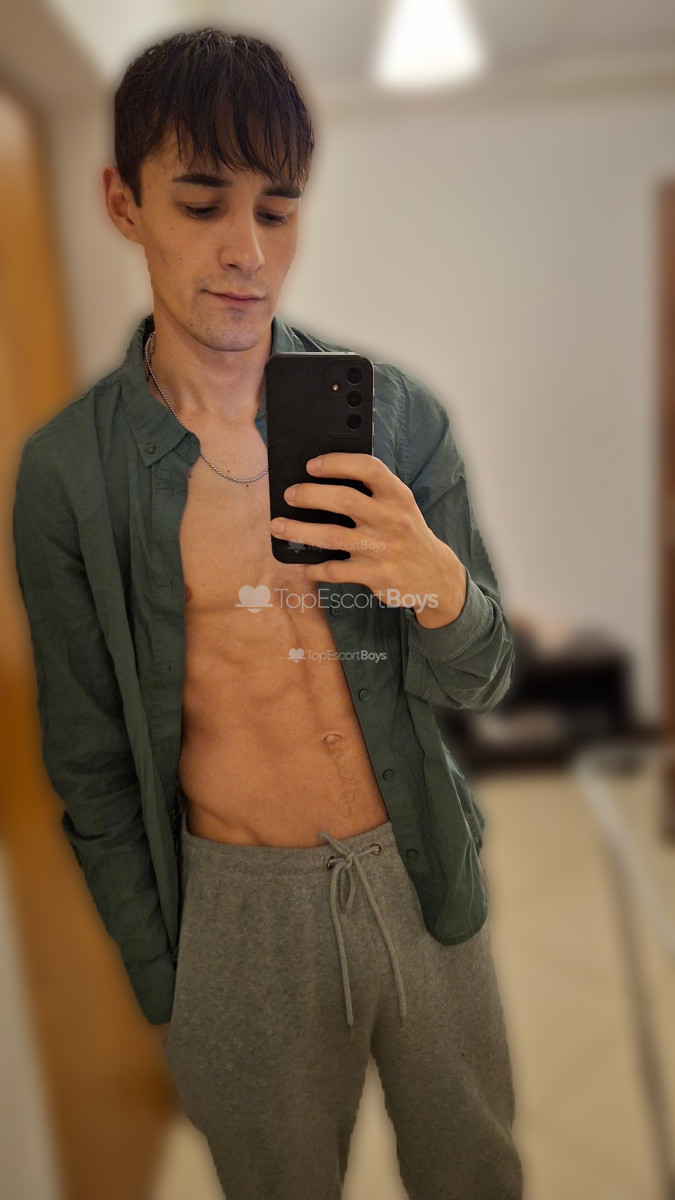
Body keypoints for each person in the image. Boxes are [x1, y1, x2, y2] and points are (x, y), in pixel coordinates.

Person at [12, 26, 524, 1200]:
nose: (247, 251)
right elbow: (89, 765)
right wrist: (167, 981)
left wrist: (436, 583)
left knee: (476, 1171)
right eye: (202, 204)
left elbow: (482, 680)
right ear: (123, 204)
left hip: (417, 866)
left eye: (278, 210)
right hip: (234, 913)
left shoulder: (398, 419)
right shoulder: (69, 478)